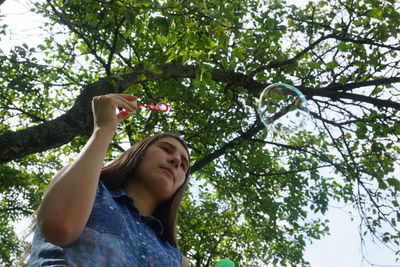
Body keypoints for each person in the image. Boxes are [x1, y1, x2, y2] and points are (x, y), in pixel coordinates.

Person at [26, 94, 192, 266]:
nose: (177, 161)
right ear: (137, 155)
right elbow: (59, 227)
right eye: (166, 149)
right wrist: (104, 129)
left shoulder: (177, 260)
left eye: (183, 166)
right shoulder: (87, 188)